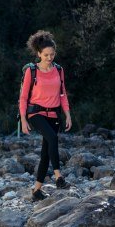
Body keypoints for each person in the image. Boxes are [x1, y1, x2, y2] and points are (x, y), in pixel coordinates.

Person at [19, 30, 72, 201]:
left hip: (54, 114)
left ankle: (36, 190)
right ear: (39, 54)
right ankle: (59, 177)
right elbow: (23, 97)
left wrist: (68, 115)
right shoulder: (31, 71)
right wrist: (23, 119)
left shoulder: (58, 70)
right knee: (52, 138)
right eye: (46, 55)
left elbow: (63, 94)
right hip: (36, 113)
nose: (50, 57)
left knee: (45, 153)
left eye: (52, 54)